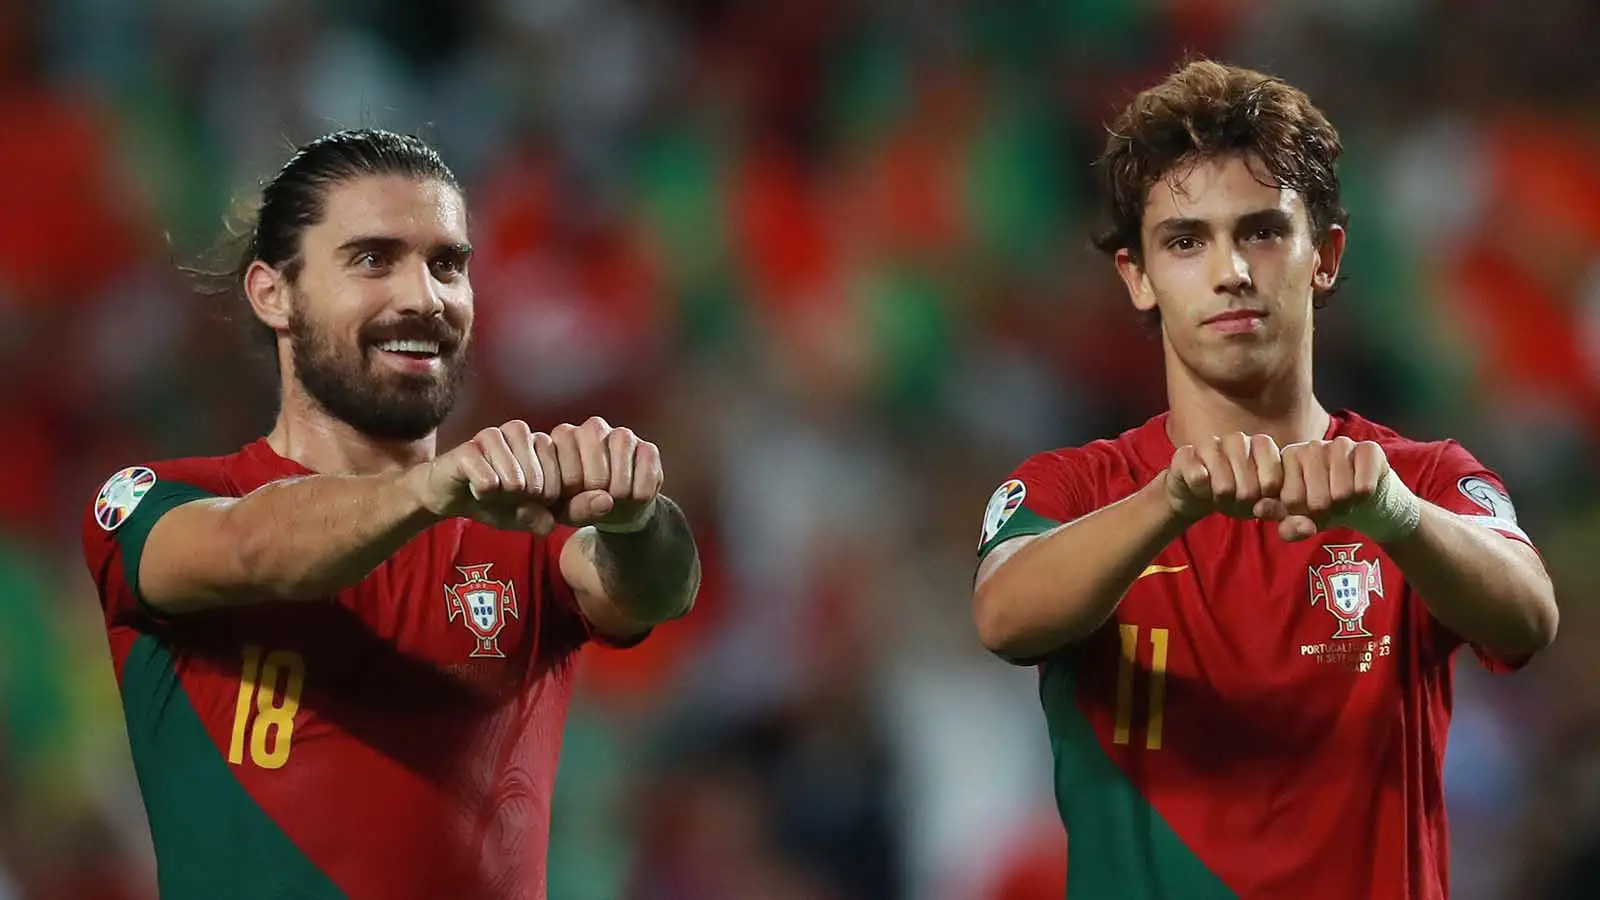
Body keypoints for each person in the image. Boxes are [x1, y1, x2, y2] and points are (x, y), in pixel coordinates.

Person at [971, 60, 1558, 899]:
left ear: (1324, 255)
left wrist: (1395, 515)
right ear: (1137, 275)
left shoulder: (1421, 480)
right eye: (1185, 241)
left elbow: (1529, 617)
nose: (1231, 271)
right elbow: (1003, 616)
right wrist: (1170, 499)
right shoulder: (1076, 489)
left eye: (1262, 231)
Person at [80, 129, 701, 900]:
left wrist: (634, 515)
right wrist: (426, 491)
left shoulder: (522, 533)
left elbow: (653, 588)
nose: (424, 297)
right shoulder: (155, 501)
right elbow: (250, 548)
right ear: (273, 292)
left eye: (448, 264)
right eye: (373, 259)